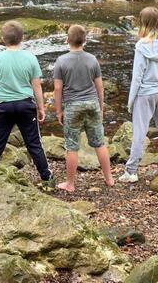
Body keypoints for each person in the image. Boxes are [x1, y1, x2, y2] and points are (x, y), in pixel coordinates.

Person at [0, 20, 55, 190]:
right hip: (25, 106)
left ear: (3, 39)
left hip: (3, 107)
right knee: (34, 143)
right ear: (22, 38)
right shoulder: (30, 57)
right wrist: (41, 107)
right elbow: (36, 85)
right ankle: (47, 179)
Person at [119, 7, 158, 183]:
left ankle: (131, 172)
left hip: (145, 94)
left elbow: (137, 77)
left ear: (143, 22)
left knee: (139, 133)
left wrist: (131, 101)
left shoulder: (141, 46)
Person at [54, 25, 114, 192]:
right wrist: (100, 107)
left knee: (72, 146)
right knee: (99, 143)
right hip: (92, 103)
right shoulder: (92, 59)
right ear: (85, 40)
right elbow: (99, 86)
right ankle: (109, 178)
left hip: (73, 106)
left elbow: (58, 89)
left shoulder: (61, 61)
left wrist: (58, 110)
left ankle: (70, 184)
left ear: (67, 40)